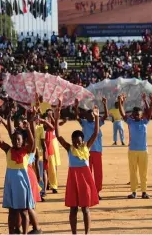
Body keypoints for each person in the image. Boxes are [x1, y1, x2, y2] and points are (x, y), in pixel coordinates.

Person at [54, 100, 99, 234]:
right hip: (73, 180)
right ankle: (74, 233)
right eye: (75, 142)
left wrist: (97, 117)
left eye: (79, 142)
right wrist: (56, 119)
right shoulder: (69, 148)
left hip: (85, 180)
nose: (77, 144)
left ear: (82, 140)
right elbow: (58, 135)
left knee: (85, 208)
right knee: (73, 208)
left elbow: (95, 133)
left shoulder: (87, 146)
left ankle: (87, 233)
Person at [0, 108, 35, 234]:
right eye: (14, 140)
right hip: (10, 183)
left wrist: (28, 128)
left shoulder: (26, 151)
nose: (16, 141)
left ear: (23, 141)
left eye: (19, 140)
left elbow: (33, 144)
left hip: (22, 184)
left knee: (23, 211)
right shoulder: (8, 150)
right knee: (11, 211)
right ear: (11, 141)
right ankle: (11, 231)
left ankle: (24, 233)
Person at [118, 93, 152, 199]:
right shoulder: (130, 122)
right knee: (133, 172)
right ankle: (134, 192)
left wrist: (151, 101)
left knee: (143, 172)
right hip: (132, 150)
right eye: (135, 114)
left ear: (141, 115)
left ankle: (144, 191)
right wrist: (120, 102)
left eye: (138, 114)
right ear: (133, 115)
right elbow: (122, 113)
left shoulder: (145, 121)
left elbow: (150, 112)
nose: (137, 116)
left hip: (143, 150)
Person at [74, 97, 108, 199]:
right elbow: (77, 117)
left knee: (98, 173)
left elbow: (106, 115)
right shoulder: (84, 122)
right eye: (88, 115)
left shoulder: (98, 122)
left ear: (95, 115)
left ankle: (97, 192)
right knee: (87, 172)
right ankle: (87, 191)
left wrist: (105, 104)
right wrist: (76, 107)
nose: (90, 117)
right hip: (86, 151)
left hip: (97, 151)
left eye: (92, 115)